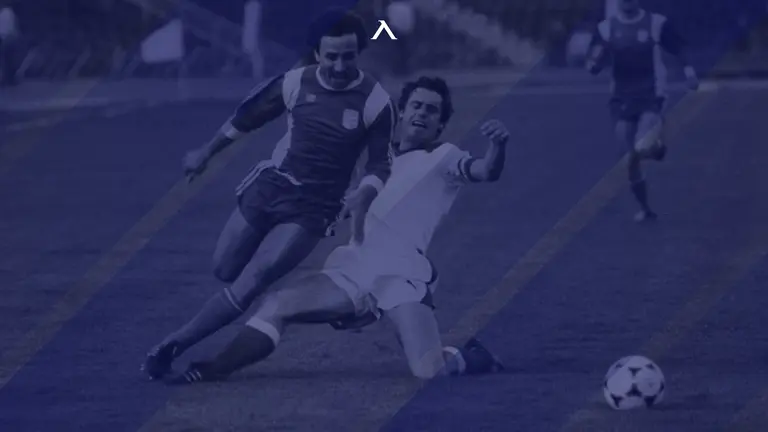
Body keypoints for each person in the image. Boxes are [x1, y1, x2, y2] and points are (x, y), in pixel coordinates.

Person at [162, 76, 508, 385]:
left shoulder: (445, 157)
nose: (422, 113)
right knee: (277, 304)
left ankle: (471, 355)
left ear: (441, 124)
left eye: (432, 110)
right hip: (354, 268)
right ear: (402, 112)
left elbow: (484, 171)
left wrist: (497, 146)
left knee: (428, 370)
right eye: (416, 105)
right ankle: (214, 368)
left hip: (401, 273)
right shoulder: (376, 160)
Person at [143, 9, 395, 380]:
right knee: (224, 268)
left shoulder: (375, 101)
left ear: (359, 53)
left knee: (254, 279)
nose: (340, 66)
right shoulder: (294, 83)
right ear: (316, 53)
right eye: (332, 56)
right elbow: (247, 117)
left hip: (315, 207)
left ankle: (175, 343)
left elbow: (380, 164)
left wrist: (365, 192)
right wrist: (205, 153)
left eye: (349, 56)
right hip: (270, 187)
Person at [586, 0, 699, 222]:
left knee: (641, 145)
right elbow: (593, 65)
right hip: (621, 98)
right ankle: (645, 207)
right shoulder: (605, 29)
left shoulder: (656, 23)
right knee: (627, 159)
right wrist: (595, 62)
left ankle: (654, 145)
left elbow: (679, 47)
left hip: (651, 94)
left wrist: (689, 72)